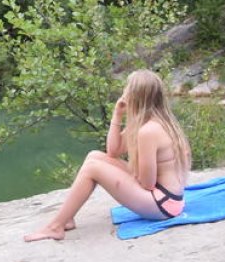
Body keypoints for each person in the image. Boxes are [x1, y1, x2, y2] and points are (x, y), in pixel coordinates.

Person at [24, 70, 192, 242]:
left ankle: (55, 227)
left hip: (162, 203)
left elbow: (147, 183)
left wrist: (125, 178)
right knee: (94, 156)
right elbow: (112, 152)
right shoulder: (153, 122)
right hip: (166, 198)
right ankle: (67, 217)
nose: (123, 94)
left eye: (127, 89)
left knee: (92, 168)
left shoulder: (148, 131)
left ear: (136, 97)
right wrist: (117, 114)